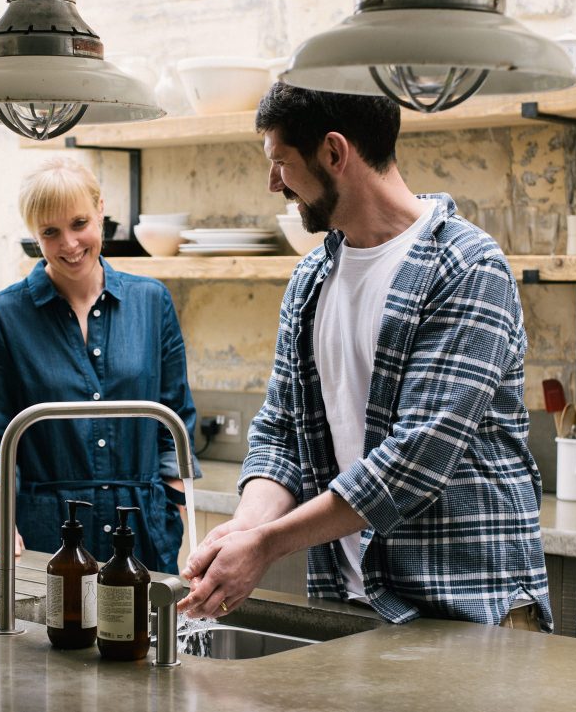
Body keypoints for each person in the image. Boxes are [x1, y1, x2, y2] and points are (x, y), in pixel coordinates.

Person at [178, 83, 551, 631]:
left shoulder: (467, 267)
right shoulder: (311, 279)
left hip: (469, 610)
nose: (273, 184)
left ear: (334, 153)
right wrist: (246, 528)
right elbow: (281, 431)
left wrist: (267, 545)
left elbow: (414, 461)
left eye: (281, 163)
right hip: (354, 604)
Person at [0, 157, 200, 575]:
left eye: (78, 223)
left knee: (144, 641)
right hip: (47, 539)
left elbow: (175, 421)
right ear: (34, 235)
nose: (69, 244)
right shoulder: (3, 315)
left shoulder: (151, 302)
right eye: (50, 232)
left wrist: (175, 510)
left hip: (144, 531)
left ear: (100, 212)